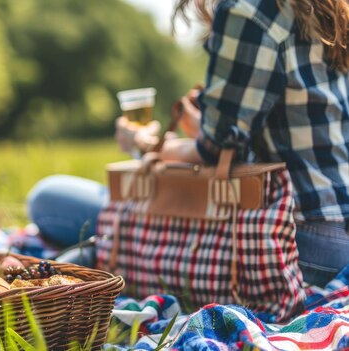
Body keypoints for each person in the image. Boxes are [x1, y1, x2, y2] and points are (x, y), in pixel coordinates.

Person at [27, 0, 349, 287]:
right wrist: (202, 128)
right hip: (337, 234)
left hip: (295, 242)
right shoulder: (325, 9)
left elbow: (215, 152)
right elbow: (281, 138)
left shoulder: (247, 9)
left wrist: (146, 144)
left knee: (50, 197)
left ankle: (103, 257)